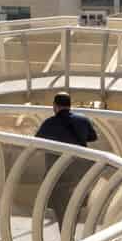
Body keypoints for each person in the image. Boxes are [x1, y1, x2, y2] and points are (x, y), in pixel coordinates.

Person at [35, 93, 97, 226]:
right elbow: (92, 137)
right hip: (79, 169)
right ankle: (71, 233)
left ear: (55, 106)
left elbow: (37, 142)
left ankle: (65, 235)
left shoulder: (49, 123)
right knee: (77, 201)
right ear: (70, 105)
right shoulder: (83, 120)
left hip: (57, 171)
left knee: (60, 205)